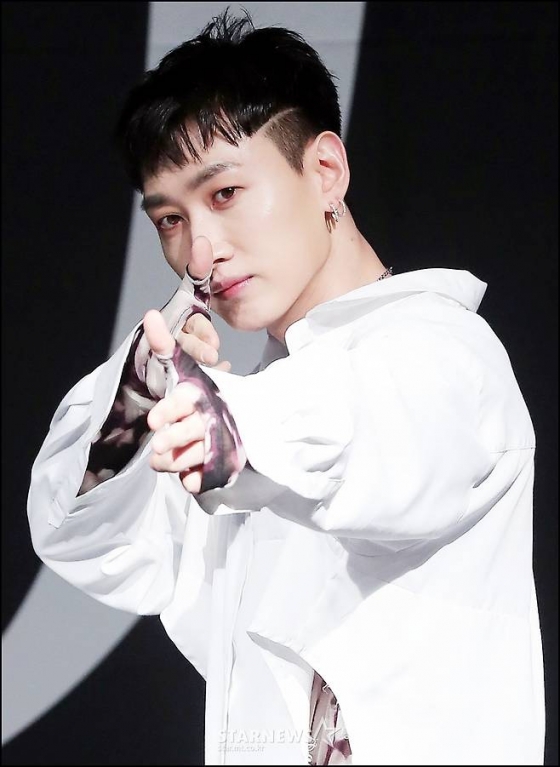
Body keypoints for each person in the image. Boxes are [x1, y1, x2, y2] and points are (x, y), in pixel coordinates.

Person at [27, 9, 545, 766]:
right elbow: (84, 534)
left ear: (325, 171)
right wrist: (146, 385)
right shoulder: (245, 406)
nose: (199, 252)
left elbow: (373, 432)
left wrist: (231, 429)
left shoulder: (443, 353)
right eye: (169, 219)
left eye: (225, 194)